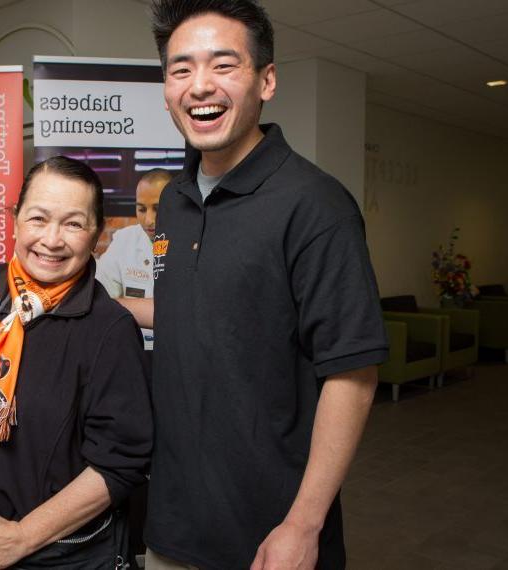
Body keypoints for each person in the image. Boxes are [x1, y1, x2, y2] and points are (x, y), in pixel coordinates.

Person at [142, 2, 389, 569]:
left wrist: (303, 525)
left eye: (223, 65)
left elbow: (352, 374)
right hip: (173, 524)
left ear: (267, 80)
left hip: (270, 537)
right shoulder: (176, 202)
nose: (200, 85)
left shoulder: (315, 205)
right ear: (166, 89)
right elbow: (205, 310)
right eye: (181, 69)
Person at [0, 156, 152, 569]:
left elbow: (120, 463)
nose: (51, 240)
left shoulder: (108, 329)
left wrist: (22, 538)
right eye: (38, 218)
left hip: (46, 557)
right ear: (16, 221)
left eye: (73, 223)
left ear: (96, 234)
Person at [95, 168, 171, 350]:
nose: (148, 220)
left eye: (157, 209)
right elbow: (101, 297)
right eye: (141, 209)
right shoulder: (124, 241)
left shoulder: (192, 241)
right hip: (132, 348)